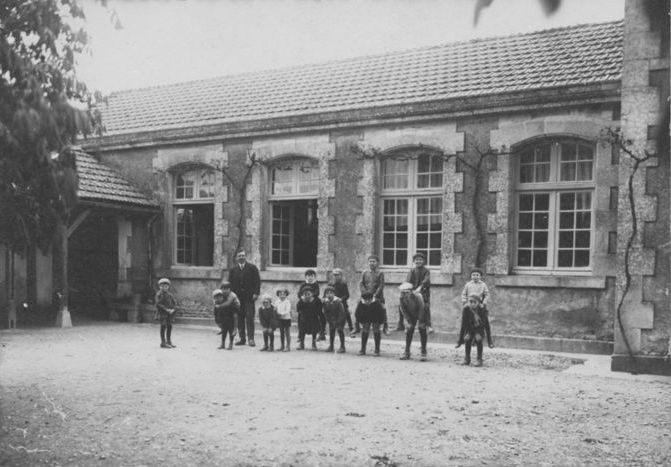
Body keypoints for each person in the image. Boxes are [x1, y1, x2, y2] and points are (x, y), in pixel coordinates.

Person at [227, 249, 261, 347]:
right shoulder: (233, 270)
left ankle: (251, 339)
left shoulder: (252, 268)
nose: (241, 257)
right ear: (236, 258)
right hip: (238, 299)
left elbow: (257, 281)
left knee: (250, 318)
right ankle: (242, 339)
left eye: (243, 255)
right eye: (239, 256)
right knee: (240, 318)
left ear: (245, 257)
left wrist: (256, 293)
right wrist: (231, 297)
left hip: (249, 298)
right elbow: (230, 284)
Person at [461, 268, 493, 348]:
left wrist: (484, 303)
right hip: (470, 304)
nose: (475, 276)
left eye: (477, 275)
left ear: (480, 276)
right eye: (473, 275)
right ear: (471, 276)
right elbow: (464, 294)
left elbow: (487, 294)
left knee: (486, 323)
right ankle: (461, 339)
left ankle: (489, 340)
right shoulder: (468, 285)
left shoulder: (483, 285)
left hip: (479, 305)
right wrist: (465, 302)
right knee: (464, 321)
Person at [398, 282, 428, 361]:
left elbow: (422, 309)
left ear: (411, 292)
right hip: (410, 314)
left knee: (422, 328)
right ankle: (407, 352)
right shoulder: (401, 298)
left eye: (406, 293)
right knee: (409, 329)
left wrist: (420, 321)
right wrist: (409, 321)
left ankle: (423, 352)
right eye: (403, 293)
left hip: (421, 312)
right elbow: (403, 310)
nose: (404, 295)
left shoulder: (418, 297)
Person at [357, 255, 386, 336]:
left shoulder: (380, 273)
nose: (372, 263)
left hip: (377, 296)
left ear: (377, 263)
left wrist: (375, 294)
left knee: (383, 308)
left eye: (374, 261)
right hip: (366, 296)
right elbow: (361, 283)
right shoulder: (365, 272)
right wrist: (364, 293)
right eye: (370, 261)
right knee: (359, 307)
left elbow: (381, 285)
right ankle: (356, 326)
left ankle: (385, 326)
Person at [456, 294, 488, 366]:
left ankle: (479, 359)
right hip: (470, 329)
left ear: (478, 303)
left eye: (474, 302)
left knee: (478, 339)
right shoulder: (466, 309)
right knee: (467, 339)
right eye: (470, 302)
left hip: (479, 329)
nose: (472, 304)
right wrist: (463, 337)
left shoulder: (482, 310)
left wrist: (478, 333)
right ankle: (467, 359)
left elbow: (484, 324)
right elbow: (464, 324)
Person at [405, 252, 432, 333]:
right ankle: (405, 324)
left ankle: (428, 325)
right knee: (404, 305)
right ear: (414, 261)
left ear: (423, 261)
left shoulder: (426, 271)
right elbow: (408, 281)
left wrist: (420, 287)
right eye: (416, 260)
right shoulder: (412, 271)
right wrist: (407, 288)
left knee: (425, 306)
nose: (418, 261)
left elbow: (426, 280)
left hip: (423, 292)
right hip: (413, 292)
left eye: (420, 260)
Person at [354, 291, 386, 356]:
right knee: (365, 330)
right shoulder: (361, 303)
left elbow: (382, 314)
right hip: (366, 317)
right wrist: (360, 322)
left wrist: (381, 322)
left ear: (372, 299)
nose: (367, 302)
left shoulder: (377, 303)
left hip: (375, 317)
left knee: (376, 331)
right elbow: (357, 313)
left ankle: (377, 350)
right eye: (366, 300)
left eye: (369, 300)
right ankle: (363, 349)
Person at [298, 269, 325, 341]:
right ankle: (300, 335)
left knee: (321, 314)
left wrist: (311, 296)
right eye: (308, 276)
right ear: (306, 277)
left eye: (312, 276)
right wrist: (302, 297)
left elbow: (317, 293)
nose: (310, 278)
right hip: (305, 300)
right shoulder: (303, 284)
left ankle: (322, 331)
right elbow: (299, 293)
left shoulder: (315, 284)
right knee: (300, 315)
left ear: (314, 277)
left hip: (314, 300)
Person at [213, 283, 240, 350]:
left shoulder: (232, 296)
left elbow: (228, 304)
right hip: (226, 315)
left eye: (226, 289)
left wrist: (219, 306)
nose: (224, 290)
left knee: (231, 330)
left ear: (229, 289)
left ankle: (231, 343)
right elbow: (216, 299)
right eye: (223, 289)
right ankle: (222, 343)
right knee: (224, 330)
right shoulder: (222, 295)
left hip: (234, 309)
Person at [322, 285, 347, 353]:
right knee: (332, 331)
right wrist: (329, 320)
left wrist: (338, 321)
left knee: (340, 330)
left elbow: (341, 313)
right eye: (327, 293)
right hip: (331, 319)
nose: (329, 295)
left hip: (340, 319)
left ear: (334, 294)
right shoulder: (326, 302)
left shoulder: (338, 302)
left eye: (331, 293)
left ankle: (342, 346)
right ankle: (331, 346)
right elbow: (325, 313)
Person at [154, 278, 177, 349]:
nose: (164, 287)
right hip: (162, 313)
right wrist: (167, 310)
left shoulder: (170, 295)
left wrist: (173, 309)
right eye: (162, 286)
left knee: (169, 326)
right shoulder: (159, 294)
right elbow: (158, 304)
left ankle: (169, 341)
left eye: (166, 286)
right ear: (159, 286)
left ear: (168, 287)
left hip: (169, 314)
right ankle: (163, 342)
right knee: (163, 326)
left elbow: (174, 302)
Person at [330, 268, 353, 335]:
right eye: (334, 275)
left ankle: (351, 329)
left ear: (341, 276)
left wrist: (341, 299)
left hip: (342, 303)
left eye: (337, 275)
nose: (336, 277)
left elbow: (347, 295)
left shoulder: (343, 284)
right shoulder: (331, 285)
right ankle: (324, 331)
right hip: (333, 303)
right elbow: (327, 293)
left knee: (347, 314)